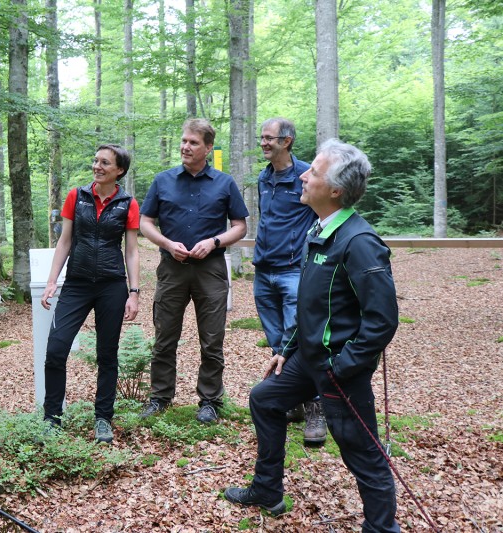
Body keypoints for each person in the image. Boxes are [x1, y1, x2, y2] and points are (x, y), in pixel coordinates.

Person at [225, 140, 400, 532]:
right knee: (265, 398)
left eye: (314, 173)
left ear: (335, 190)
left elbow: (383, 320)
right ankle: (267, 490)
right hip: (308, 359)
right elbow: (310, 302)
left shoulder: (360, 242)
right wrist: (287, 348)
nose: (303, 175)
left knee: (363, 454)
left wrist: (344, 366)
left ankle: (382, 528)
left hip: (339, 369)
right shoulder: (320, 230)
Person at [139, 118, 248, 424]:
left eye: (193, 142)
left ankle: (210, 401)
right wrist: (165, 242)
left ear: (208, 148)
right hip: (172, 268)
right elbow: (145, 222)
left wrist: (214, 242)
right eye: (184, 141)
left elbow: (240, 226)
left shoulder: (224, 183)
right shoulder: (163, 181)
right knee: (164, 337)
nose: (185, 147)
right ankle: (160, 397)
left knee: (212, 339)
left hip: (210, 269)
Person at [41, 144, 140, 444]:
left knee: (107, 355)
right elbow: (64, 242)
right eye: (95, 160)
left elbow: (132, 251)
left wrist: (133, 292)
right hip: (77, 283)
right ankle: (51, 418)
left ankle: (103, 419)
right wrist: (51, 281)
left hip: (112, 285)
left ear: (119, 170)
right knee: (56, 349)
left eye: (105, 163)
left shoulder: (128, 203)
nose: (97, 166)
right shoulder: (76, 196)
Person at [253, 117, 326, 444]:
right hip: (263, 270)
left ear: (287, 141)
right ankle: (292, 400)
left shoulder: (307, 176)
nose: (264, 143)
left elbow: (324, 217)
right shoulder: (263, 178)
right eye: (262, 138)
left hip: (294, 271)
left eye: (269, 138)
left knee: (300, 338)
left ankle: (316, 407)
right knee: (277, 339)